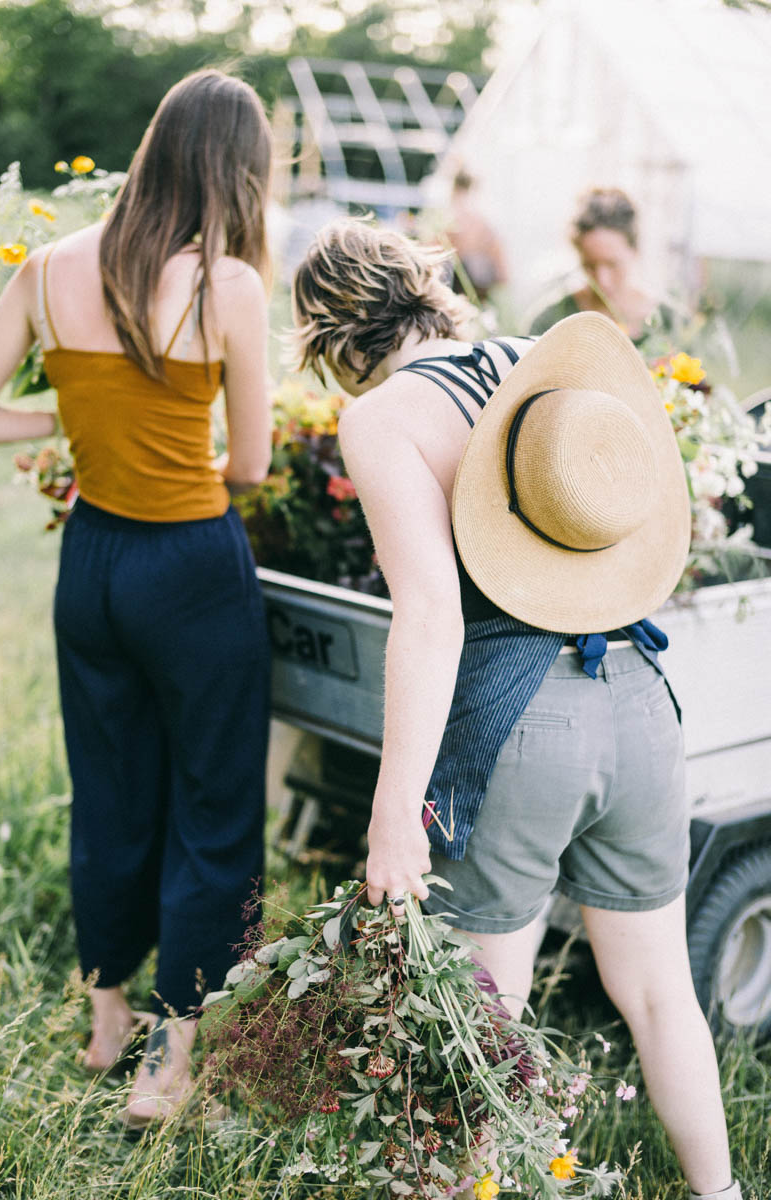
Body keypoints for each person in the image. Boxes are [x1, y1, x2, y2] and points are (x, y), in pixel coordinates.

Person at [290, 218, 742, 1200]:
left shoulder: (381, 418)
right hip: (636, 698)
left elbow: (430, 618)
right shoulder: (524, 360)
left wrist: (390, 815)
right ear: (424, 291)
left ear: (329, 333)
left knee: (477, 1021)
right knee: (661, 996)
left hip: (519, 719)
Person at [0, 69, 273, 1125]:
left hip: (90, 564)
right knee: (215, 803)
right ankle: (168, 1056)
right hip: (189, 565)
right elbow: (249, 462)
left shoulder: (49, 269)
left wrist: (72, 425)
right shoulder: (225, 286)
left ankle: (106, 1020)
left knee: (108, 791)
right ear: (238, 170)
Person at [529, 186, 679, 346]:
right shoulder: (550, 322)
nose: (602, 280)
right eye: (589, 266)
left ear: (635, 251)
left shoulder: (672, 322)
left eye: (612, 264)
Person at [446, 169, 509, 302]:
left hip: (460, 286)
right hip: (479, 287)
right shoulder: (483, 219)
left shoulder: (451, 216)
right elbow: (502, 273)